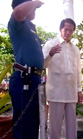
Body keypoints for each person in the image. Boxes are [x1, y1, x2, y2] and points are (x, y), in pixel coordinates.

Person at [8, 0, 44, 139]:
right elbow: (18, 12)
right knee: (24, 125)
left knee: (32, 124)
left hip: (33, 79)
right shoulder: (16, 22)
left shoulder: (30, 26)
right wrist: (34, 2)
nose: (35, 9)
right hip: (24, 79)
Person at [42, 18, 83, 139]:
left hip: (71, 92)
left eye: (71, 30)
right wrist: (50, 54)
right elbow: (42, 65)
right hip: (56, 92)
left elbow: (77, 72)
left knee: (72, 127)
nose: (68, 32)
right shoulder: (51, 44)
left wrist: (79, 90)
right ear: (60, 29)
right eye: (66, 29)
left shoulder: (75, 49)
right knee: (55, 127)